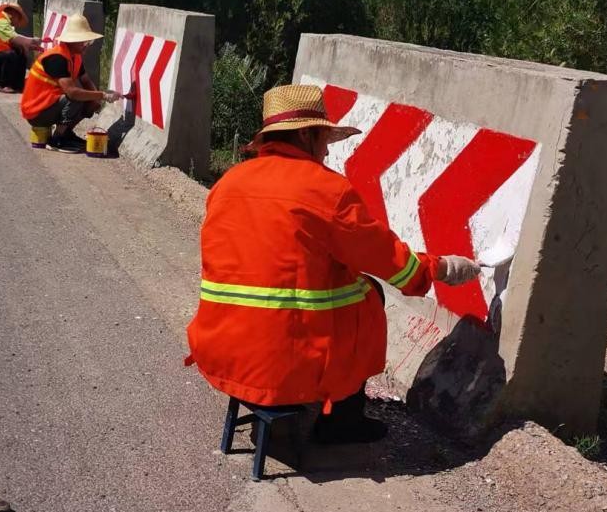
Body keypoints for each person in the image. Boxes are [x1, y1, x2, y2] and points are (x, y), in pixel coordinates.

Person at [185, 84, 481, 444]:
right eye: (324, 139)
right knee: (369, 296)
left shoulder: (229, 182)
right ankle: (341, 422)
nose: (326, 150)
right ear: (307, 135)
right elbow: (392, 263)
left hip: (222, 351)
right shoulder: (327, 191)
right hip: (281, 363)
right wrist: (442, 268)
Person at [19, 13, 120, 153]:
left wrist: (96, 99)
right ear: (73, 41)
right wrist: (103, 95)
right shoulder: (56, 58)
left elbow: (85, 80)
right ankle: (57, 140)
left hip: (49, 104)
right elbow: (73, 92)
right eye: (84, 42)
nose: (87, 46)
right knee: (75, 98)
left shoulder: (74, 57)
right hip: (36, 111)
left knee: (88, 99)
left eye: (89, 42)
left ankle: (66, 133)